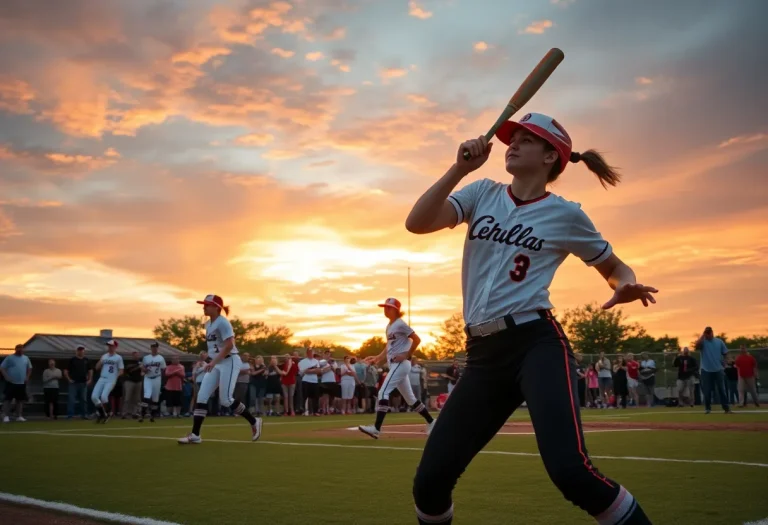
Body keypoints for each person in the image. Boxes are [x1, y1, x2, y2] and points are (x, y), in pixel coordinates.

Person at [404, 112, 657, 524]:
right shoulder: (481, 192)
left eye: (526, 139)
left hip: (535, 343)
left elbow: (616, 268)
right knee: (430, 482)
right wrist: (459, 168)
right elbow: (417, 223)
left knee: (571, 473)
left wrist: (625, 285)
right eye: (512, 137)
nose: (512, 144)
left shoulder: (566, 215)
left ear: (550, 156)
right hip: (483, 355)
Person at [178, 295, 262, 444]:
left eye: (207, 305)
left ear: (216, 307)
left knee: (226, 400)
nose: (204, 307)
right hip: (217, 363)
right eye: (204, 304)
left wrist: (213, 362)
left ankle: (254, 421)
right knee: (202, 396)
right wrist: (210, 360)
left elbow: (229, 345)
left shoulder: (223, 323)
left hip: (229, 361)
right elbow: (215, 348)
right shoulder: (208, 324)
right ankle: (195, 435)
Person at [359, 297, 435, 439]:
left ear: (395, 310)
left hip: (400, 364)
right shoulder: (389, 326)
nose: (385, 309)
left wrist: (407, 354)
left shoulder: (400, 324)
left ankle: (376, 428)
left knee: (383, 392)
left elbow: (417, 339)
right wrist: (378, 358)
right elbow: (389, 346)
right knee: (410, 399)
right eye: (384, 307)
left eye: (388, 307)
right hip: (396, 364)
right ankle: (432, 422)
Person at [694, 326, 731, 414]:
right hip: (706, 370)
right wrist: (702, 336)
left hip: (718, 369)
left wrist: (725, 362)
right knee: (707, 390)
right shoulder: (703, 343)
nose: (708, 335)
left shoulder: (719, 342)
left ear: (712, 333)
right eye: (706, 333)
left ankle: (726, 408)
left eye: (709, 333)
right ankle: (707, 408)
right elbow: (697, 346)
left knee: (722, 389)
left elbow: (725, 353)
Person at [92, 340, 125, 424]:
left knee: (103, 396)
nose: (110, 347)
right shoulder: (104, 356)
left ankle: (109, 412)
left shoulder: (118, 357)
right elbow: (96, 367)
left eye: (111, 346)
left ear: (115, 347)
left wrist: (116, 377)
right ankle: (102, 413)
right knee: (94, 397)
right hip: (102, 378)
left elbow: (121, 370)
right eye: (109, 346)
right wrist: (100, 361)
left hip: (111, 379)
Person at [1, 344, 32, 423]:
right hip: (11, 382)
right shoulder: (10, 358)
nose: (21, 351)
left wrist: (27, 377)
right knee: (8, 399)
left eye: (22, 349)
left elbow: (29, 368)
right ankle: (5, 416)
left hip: (21, 383)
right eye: (19, 349)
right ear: (16, 349)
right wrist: (6, 377)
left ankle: (19, 416)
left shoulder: (26, 358)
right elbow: (2, 368)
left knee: (20, 400)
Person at [139, 342, 166, 423]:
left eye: (155, 347)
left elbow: (163, 369)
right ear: (150, 348)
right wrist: (144, 369)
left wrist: (163, 380)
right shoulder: (146, 358)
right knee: (147, 395)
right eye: (153, 347)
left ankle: (152, 415)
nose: (154, 348)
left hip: (157, 378)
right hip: (148, 378)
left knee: (155, 398)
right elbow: (143, 368)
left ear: (158, 348)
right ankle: (142, 415)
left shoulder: (161, 358)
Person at [65, 345, 93, 420]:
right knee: (71, 399)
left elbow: (90, 370)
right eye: (79, 350)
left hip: (83, 383)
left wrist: (90, 379)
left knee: (83, 400)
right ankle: (70, 415)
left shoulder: (86, 360)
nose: (80, 352)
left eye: (82, 350)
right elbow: (66, 371)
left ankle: (84, 415)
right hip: (73, 383)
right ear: (77, 351)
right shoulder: (72, 360)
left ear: (84, 351)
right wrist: (69, 379)